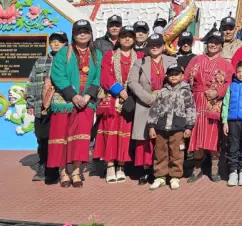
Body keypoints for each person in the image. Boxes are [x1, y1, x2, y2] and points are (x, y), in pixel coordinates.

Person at [47, 20, 102, 188]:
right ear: (73, 34)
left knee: (81, 137)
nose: (82, 34)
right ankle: (63, 171)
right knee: (62, 136)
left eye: (86, 31)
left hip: (86, 101)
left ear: (91, 34)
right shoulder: (64, 52)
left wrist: (87, 96)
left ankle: (76, 170)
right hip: (66, 101)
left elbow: (99, 76)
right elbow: (58, 74)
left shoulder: (97, 54)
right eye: (79, 32)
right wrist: (73, 96)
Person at [184, 30, 234, 183]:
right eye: (211, 42)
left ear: (221, 46)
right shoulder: (196, 60)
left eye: (216, 42)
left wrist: (218, 92)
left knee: (213, 136)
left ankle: (214, 168)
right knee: (197, 135)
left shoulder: (226, 64)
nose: (213, 45)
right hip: (196, 101)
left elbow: (230, 84)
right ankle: (197, 168)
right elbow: (185, 79)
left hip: (214, 104)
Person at [129, 34, 178, 185]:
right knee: (145, 140)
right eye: (152, 44)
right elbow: (132, 83)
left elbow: (176, 79)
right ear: (148, 46)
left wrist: (164, 96)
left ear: (163, 46)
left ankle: (164, 171)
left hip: (166, 104)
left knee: (163, 138)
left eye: (158, 44)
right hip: (146, 104)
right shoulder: (140, 62)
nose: (155, 47)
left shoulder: (171, 60)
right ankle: (146, 170)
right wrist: (148, 98)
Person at [94, 26, 140, 183]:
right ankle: (110, 166)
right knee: (110, 133)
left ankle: (121, 166)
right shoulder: (110, 55)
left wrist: (131, 93)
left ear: (134, 39)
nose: (127, 39)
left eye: (130, 36)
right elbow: (105, 76)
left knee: (125, 135)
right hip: (113, 99)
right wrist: (119, 91)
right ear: (118, 39)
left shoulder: (140, 56)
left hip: (131, 100)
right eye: (124, 36)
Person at [146, 63, 196, 191]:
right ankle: (160, 176)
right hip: (161, 128)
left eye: (176, 74)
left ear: (182, 76)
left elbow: (190, 109)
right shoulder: (162, 92)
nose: (173, 77)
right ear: (167, 76)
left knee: (177, 152)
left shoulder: (186, 92)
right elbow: (154, 109)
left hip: (178, 128)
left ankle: (175, 176)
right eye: (171, 74)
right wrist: (151, 126)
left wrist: (189, 127)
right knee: (160, 152)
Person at [26, 31, 67, 183]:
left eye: (60, 41)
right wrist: (30, 103)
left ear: (66, 44)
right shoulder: (41, 61)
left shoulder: (69, 61)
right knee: (42, 138)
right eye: (53, 41)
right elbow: (31, 82)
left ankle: (55, 168)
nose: (56, 44)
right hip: (41, 106)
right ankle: (43, 165)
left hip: (60, 106)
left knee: (58, 138)